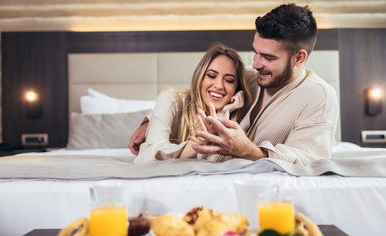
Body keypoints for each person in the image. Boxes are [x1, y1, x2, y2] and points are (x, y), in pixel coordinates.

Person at [130, 3, 339, 166]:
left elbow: (310, 161)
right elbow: (192, 95)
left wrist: (248, 150)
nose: (256, 64)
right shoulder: (248, 75)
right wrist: (151, 121)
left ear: (299, 58)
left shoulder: (319, 97)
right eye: (255, 52)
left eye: (268, 57)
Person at [133, 43, 253, 163]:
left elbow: (216, 166)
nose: (219, 86)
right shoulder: (171, 101)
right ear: (199, 77)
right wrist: (197, 144)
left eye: (229, 80)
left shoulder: (239, 117)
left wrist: (220, 116)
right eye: (211, 75)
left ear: (237, 88)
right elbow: (146, 158)